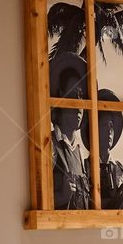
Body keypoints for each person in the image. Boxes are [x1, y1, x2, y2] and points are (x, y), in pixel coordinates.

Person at [49, 53, 90, 209]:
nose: (78, 104)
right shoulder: (51, 145)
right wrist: (61, 197)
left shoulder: (80, 152)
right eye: (73, 96)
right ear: (60, 97)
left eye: (81, 97)